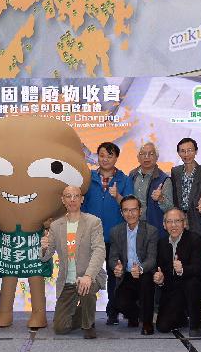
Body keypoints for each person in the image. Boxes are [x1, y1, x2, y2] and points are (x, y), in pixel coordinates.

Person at [41, 186, 107, 339]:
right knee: (60, 328)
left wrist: (88, 276)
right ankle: (85, 312)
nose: (72, 199)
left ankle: (88, 324)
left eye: (76, 196)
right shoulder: (56, 226)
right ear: (63, 200)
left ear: (82, 199)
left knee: (87, 288)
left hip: (89, 277)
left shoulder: (93, 222)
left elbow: (99, 250)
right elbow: (46, 256)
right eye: (68, 196)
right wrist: (44, 248)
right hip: (67, 281)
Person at [82, 142, 133, 326]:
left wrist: (118, 196)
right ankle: (86, 313)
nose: (105, 159)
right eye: (102, 155)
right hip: (91, 235)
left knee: (115, 274)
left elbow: (130, 207)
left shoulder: (124, 179)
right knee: (88, 274)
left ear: (116, 158)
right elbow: (81, 203)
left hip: (115, 236)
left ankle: (113, 312)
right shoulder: (88, 177)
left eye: (109, 156)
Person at [108, 195, 158, 334]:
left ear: (140, 211)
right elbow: (112, 257)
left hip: (144, 272)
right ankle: (134, 315)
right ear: (121, 213)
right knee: (119, 302)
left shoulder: (151, 231)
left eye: (134, 210)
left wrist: (141, 268)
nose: (130, 214)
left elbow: (152, 258)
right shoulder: (115, 231)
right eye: (126, 210)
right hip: (127, 274)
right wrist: (116, 267)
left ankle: (147, 323)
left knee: (147, 282)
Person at [153, 208, 201, 335]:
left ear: (185, 223)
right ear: (164, 225)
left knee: (192, 283)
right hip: (173, 290)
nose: (173, 225)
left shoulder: (195, 239)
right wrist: (160, 279)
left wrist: (182, 269)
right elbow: (160, 270)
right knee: (162, 327)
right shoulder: (162, 243)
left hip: (191, 286)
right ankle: (181, 317)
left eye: (177, 221)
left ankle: (196, 324)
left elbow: (198, 268)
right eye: (169, 221)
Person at [163, 138, 201, 242]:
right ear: (178, 153)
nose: (186, 154)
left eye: (189, 150)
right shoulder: (175, 171)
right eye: (182, 151)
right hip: (179, 222)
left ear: (196, 151)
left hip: (199, 222)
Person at [128, 142, 170, 237]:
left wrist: (161, 199)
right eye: (143, 154)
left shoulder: (164, 179)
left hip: (154, 229)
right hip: (133, 227)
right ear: (138, 157)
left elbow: (170, 208)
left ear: (157, 157)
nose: (146, 157)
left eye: (151, 154)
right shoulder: (131, 175)